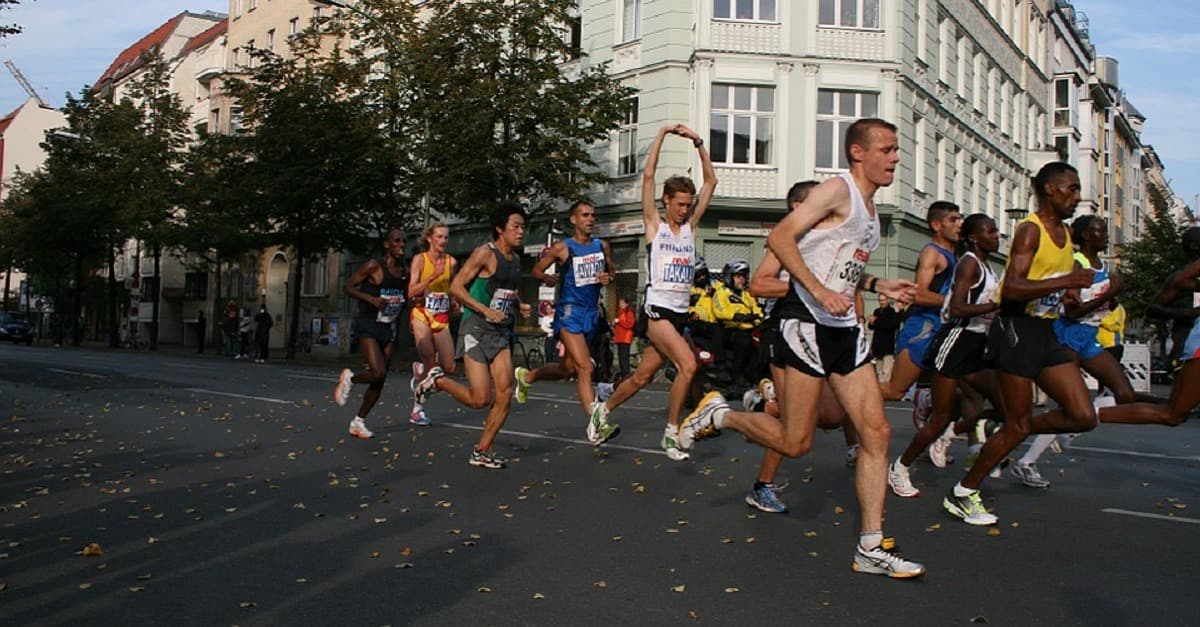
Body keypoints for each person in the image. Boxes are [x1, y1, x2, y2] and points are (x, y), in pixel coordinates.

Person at [677, 119, 925, 578]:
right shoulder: (836, 190)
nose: (895, 158)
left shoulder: (870, 211)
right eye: (887, 150)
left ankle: (871, 546)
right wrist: (816, 290)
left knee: (877, 434)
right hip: (806, 324)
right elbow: (778, 239)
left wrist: (877, 283)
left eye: (896, 150)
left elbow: (841, 269)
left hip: (843, 329)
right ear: (858, 152)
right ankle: (720, 415)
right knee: (797, 442)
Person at [943, 162, 1180, 526]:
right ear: (1050, 190)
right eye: (1071, 189)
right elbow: (1013, 291)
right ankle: (963, 492)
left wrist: (1097, 293)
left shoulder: (1067, 236)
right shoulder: (1029, 231)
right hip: (1016, 332)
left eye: (1078, 189)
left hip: (1047, 332)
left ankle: (1002, 435)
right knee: (1018, 426)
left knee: (1083, 416)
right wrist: (1066, 280)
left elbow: (1065, 295)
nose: (1077, 196)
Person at [584, 123, 717, 462]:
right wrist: (663, 135)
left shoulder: (690, 228)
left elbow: (711, 181)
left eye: (689, 204)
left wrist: (698, 142)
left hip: (678, 313)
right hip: (656, 312)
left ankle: (603, 409)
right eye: (680, 204)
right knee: (688, 365)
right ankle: (671, 434)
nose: (685, 210)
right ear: (667, 201)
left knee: (642, 377)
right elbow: (647, 176)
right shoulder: (654, 226)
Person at [741, 180, 858, 514]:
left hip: (824, 333)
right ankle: (761, 485)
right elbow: (759, 284)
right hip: (786, 333)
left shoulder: (830, 241)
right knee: (796, 429)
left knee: (833, 416)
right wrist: (809, 285)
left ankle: (769, 402)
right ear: (798, 208)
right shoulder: (786, 239)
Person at [1010, 215, 1151, 487]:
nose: (1105, 235)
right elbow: (1072, 311)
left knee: (1125, 394)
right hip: (1068, 335)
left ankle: (1071, 425)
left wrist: (1110, 300)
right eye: (1099, 231)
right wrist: (1108, 295)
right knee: (1069, 405)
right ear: (1087, 235)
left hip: (1090, 336)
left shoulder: (1102, 265)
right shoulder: (1078, 263)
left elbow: (1098, 305)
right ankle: (1027, 461)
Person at [887, 214, 1004, 498]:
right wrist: (994, 306)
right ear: (974, 237)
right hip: (956, 341)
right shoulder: (968, 264)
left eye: (996, 230)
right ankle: (899, 468)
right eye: (990, 231)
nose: (996, 235)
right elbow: (957, 309)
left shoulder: (988, 267)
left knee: (1006, 406)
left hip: (977, 344)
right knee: (937, 417)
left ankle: (953, 431)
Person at [412, 203, 527, 469]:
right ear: (500, 229)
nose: (521, 232)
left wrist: (519, 304)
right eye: (516, 226)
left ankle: (482, 450)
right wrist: (486, 310)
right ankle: (438, 381)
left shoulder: (516, 260)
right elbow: (456, 287)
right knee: (480, 399)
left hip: (499, 333)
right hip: (475, 329)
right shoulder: (484, 253)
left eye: (523, 226)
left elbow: (504, 290)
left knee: (505, 393)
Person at [514, 200, 620, 445]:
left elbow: (612, 272)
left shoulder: (601, 246)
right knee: (586, 367)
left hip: (591, 314)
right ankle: (595, 424)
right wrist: (548, 278)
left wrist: (608, 277)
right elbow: (536, 271)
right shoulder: (563, 248)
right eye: (585, 215)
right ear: (574, 220)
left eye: (593, 215)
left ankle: (528, 377)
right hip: (569, 312)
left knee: (568, 369)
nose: (590, 219)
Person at [877, 202, 962, 426]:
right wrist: (957, 303)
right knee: (895, 390)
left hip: (944, 330)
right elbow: (920, 295)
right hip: (922, 330)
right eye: (953, 220)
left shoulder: (958, 255)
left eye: (960, 219)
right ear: (937, 225)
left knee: (958, 389)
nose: (959, 224)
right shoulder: (932, 254)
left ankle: (929, 422)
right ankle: (846, 396)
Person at [332, 229, 409, 440]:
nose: (401, 244)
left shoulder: (404, 271)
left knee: (380, 378)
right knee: (377, 371)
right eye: (397, 241)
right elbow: (348, 287)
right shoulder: (374, 266)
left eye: (404, 241)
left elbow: (405, 296)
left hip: (387, 326)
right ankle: (350, 378)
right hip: (367, 324)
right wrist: (371, 300)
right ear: (387, 245)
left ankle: (358, 422)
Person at [408, 222, 458, 427]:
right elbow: (411, 291)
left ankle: (420, 371)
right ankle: (417, 411)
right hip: (421, 313)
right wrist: (433, 276)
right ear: (429, 238)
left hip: (441, 317)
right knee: (429, 355)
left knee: (449, 367)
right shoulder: (420, 260)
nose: (443, 241)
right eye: (439, 237)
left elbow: (452, 286)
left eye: (446, 237)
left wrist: (453, 300)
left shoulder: (451, 262)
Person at [712, 261, 764, 387]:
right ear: (730, 277)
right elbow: (720, 311)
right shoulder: (721, 293)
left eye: (744, 276)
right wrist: (738, 316)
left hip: (749, 328)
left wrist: (756, 318)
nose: (742, 279)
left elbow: (757, 311)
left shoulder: (748, 295)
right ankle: (737, 373)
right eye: (738, 276)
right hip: (730, 328)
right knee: (744, 341)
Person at [868, 294, 901, 383]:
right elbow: (871, 327)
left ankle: (885, 390)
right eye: (880, 300)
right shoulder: (877, 311)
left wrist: (876, 321)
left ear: (887, 300)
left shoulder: (892, 312)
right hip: (877, 344)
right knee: (879, 371)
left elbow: (891, 325)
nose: (882, 302)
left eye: (883, 300)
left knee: (886, 371)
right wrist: (871, 322)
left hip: (887, 345)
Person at [613, 295, 636, 380]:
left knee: (624, 358)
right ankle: (623, 374)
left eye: (622, 302)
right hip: (620, 338)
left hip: (625, 338)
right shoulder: (621, 312)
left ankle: (626, 375)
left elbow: (630, 324)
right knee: (621, 358)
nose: (620, 304)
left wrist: (620, 321)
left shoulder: (628, 312)